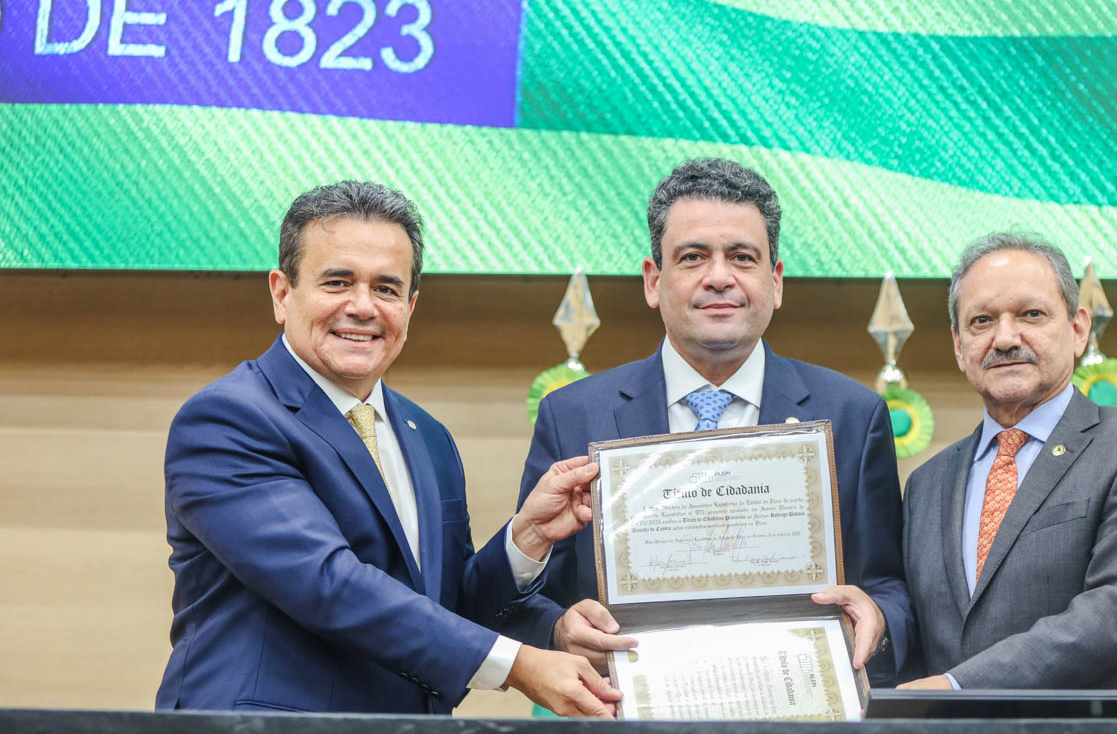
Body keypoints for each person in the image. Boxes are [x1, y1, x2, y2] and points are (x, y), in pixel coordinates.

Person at [157, 181, 620, 716]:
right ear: (282, 293)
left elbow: (447, 608)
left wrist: (527, 537)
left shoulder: (429, 437)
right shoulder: (228, 420)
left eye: (386, 288)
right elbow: (329, 585)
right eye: (337, 282)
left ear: (410, 305)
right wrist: (521, 665)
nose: (362, 306)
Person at [509, 158, 912, 684]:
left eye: (742, 257)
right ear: (653, 281)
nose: (719, 277)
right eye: (693, 257)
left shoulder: (853, 415)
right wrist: (559, 630)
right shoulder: (574, 416)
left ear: (775, 281)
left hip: (795, 704)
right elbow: (521, 598)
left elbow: (891, 588)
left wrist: (877, 617)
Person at [900, 232, 1117, 690]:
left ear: (1078, 329)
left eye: (1031, 315)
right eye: (981, 321)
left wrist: (961, 686)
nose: (1004, 338)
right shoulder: (927, 483)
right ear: (959, 346)